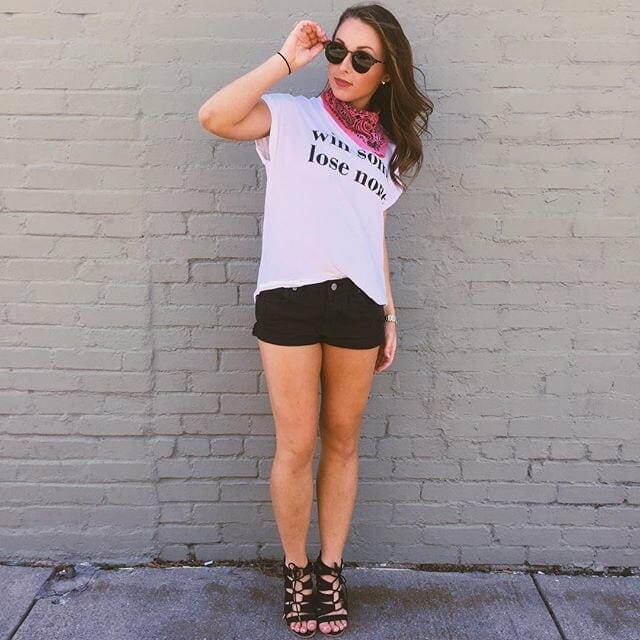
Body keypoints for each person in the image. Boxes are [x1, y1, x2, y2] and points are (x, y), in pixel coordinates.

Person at [198, 3, 432, 636]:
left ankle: (331, 569)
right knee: (297, 445)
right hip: (289, 297)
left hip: (358, 302)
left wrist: (389, 311)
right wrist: (286, 60)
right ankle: (296, 569)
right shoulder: (292, 116)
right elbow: (214, 116)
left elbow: (371, 230)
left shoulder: (387, 149)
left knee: (344, 440)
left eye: (362, 59)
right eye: (337, 51)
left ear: (387, 72)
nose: (344, 66)